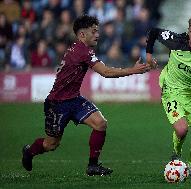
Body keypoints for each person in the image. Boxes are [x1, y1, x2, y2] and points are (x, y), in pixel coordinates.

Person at [22, 15, 151, 176]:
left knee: (100, 123)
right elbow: (105, 72)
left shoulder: (81, 49)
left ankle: (93, 166)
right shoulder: (81, 51)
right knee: (51, 144)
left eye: (98, 31)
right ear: (82, 34)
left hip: (74, 99)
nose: (98, 34)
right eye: (94, 31)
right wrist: (133, 70)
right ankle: (29, 151)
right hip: (57, 104)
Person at [146, 15, 191, 180]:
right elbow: (154, 31)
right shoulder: (177, 41)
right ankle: (176, 155)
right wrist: (149, 54)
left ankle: (190, 167)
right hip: (171, 91)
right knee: (181, 129)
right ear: (188, 31)